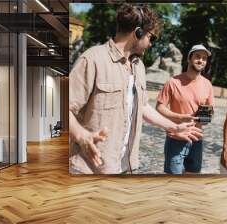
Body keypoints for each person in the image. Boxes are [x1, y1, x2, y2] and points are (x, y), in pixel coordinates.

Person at [69, 4, 202, 174]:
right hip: (88, 169)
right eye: (151, 38)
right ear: (138, 32)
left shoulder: (138, 66)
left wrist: (174, 127)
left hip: (124, 167)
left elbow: (143, 107)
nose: (151, 45)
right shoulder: (93, 59)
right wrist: (81, 135)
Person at [156, 44, 214, 174]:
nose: (201, 61)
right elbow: (159, 107)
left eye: (204, 58)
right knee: (172, 181)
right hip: (176, 138)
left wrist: (205, 118)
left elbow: (210, 111)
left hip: (196, 139)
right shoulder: (173, 82)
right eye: (197, 57)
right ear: (189, 59)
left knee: (192, 180)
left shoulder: (207, 84)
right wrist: (180, 117)